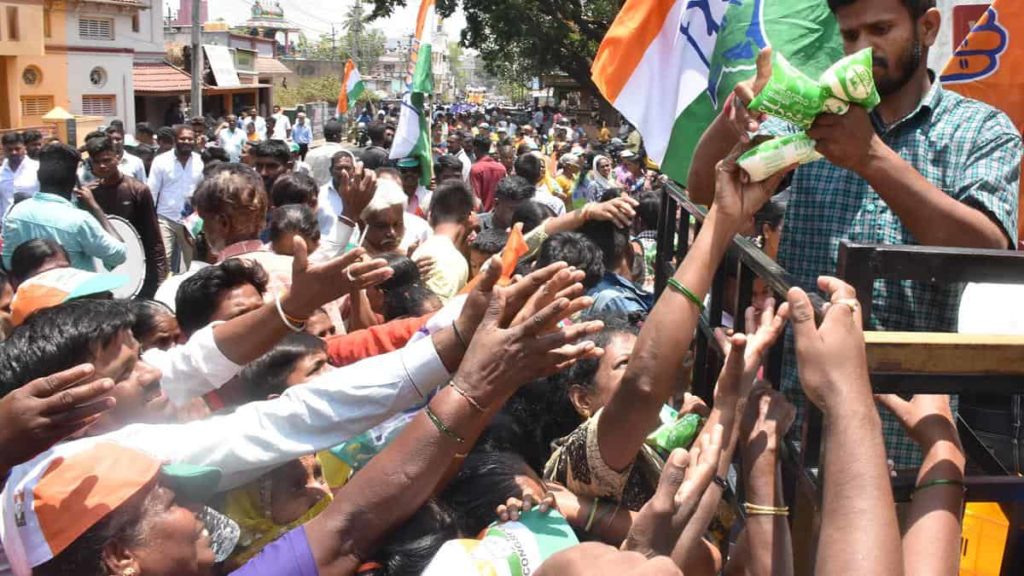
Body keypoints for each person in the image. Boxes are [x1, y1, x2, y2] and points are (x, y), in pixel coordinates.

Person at [686, 0, 1020, 467]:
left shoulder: (979, 129)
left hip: (904, 432)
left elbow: (987, 248)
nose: (863, 49)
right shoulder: (813, 113)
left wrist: (870, 156)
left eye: (881, 29)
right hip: (793, 426)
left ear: (927, 27)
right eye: (850, 36)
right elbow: (704, 188)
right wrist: (732, 121)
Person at [1, 143, 125, 273]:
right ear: (74, 180)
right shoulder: (79, 220)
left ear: (38, 175)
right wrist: (96, 209)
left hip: (29, 292)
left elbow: (8, 263)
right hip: (74, 293)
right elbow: (119, 254)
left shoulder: (15, 213)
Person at [84, 135, 169, 298]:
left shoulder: (138, 190)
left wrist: (160, 278)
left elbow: (153, 238)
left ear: (117, 158)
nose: (102, 166)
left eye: (107, 160)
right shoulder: (89, 195)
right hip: (104, 271)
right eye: (96, 162)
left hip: (138, 268)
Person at [147, 125, 204, 273]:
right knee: (164, 262)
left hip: (191, 220)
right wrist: (150, 220)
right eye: (183, 138)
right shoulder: (161, 161)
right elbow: (152, 191)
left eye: (190, 139)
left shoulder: (199, 161)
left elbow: (202, 190)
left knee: (193, 264)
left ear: (195, 141)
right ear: (175, 140)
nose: (186, 141)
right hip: (165, 219)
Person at [411, 180, 478, 302]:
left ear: (430, 216)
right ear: (469, 216)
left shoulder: (425, 249)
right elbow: (433, 315)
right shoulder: (448, 260)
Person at [359, 177, 432, 256]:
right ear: (363, 222)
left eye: (397, 224)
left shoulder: (421, 232)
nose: (392, 233)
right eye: (382, 226)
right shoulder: (350, 241)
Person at [0, 132, 40, 219]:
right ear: (3, 149)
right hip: (7, 225)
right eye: (9, 149)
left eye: (17, 149)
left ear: (24, 147)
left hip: (33, 222)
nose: (14, 152)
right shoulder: (1, 173)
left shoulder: (37, 168)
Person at [469, 134, 508, 212]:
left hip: (482, 215)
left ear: (475, 148)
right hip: (498, 214)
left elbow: (477, 198)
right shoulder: (501, 168)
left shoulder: (476, 169)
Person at [304, 119, 346, 186]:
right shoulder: (345, 154)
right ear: (335, 136)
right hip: (338, 194)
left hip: (316, 193)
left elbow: (304, 175)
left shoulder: (311, 153)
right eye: (340, 133)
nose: (341, 136)